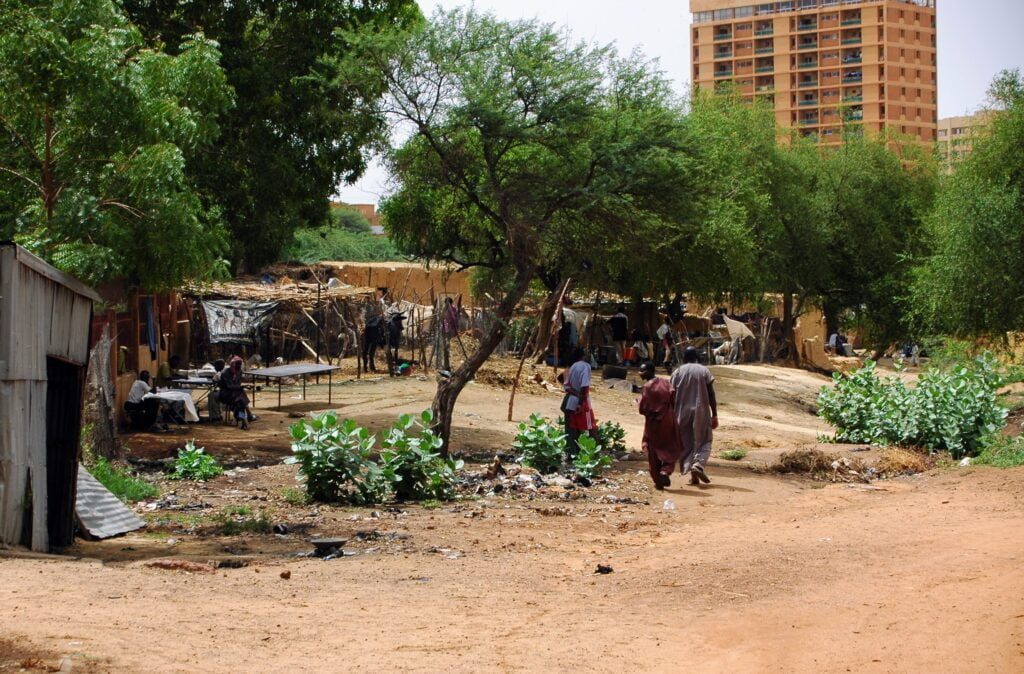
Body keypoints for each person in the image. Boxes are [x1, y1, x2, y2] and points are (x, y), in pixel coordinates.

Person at [670, 346, 719, 485]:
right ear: (696, 358)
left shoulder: (677, 372)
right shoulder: (704, 371)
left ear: (684, 358)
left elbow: (671, 395)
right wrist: (714, 414)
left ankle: (694, 476)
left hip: (681, 413)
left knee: (687, 443)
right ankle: (698, 464)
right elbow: (711, 393)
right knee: (705, 440)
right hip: (701, 411)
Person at [638, 362, 682, 490]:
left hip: (653, 423)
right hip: (668, 420)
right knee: (671, 446)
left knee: (653, 449)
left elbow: (643, 409)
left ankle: (658, 479)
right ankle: (665, 470)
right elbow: (673, 398)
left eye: (642, 371)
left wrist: (639, 402)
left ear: (650, 371)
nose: (640, 374)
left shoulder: (647, 387)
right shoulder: (666, 382)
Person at [562, 348, 597, 459]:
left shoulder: (572, 367)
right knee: (591, 427)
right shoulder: (585, 366)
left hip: (571, 401)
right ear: (583, 356)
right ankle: (593, 452)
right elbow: (585, 386)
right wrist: (580, 402)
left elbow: (567, 386)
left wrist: (576, 395)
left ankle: (572, 452)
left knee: (572, 428)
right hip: (582, 403)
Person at [218, 356, 253, 429]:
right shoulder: (225, 374)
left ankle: (243, 420)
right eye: (235, 369)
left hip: (236, 394)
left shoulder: (239, 372)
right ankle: (247, 416)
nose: (236, 371)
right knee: (240, 399)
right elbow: (229, 387)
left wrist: (243, 386)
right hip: (225, 394)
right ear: (231, 366)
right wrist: (242, 386)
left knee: (239, 402)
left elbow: (238, 384)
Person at [361, 287, 387, 372]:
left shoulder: (379, 303)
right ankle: (366, 367)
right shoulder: (368, 305)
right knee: (368, 347)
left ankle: (369, 366)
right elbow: (365, 316)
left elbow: (381, 315)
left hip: (374, 327)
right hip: (370, 328)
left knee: (370, 347)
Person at [441, 297, 460, 370]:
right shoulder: (445, 309)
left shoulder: (452, 309)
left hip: (449, 330)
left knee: (447, 345)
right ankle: (446, 363)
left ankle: (447, 362)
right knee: (446, 345)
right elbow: (442, 319)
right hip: (446, 330)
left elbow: (454, 319)